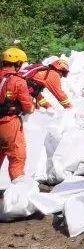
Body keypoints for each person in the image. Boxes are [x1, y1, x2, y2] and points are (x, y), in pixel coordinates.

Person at [0, 48, 35, 182]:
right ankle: (17, 195)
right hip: (9, 123)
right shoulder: (17, 80)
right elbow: (28, 107)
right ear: (17, 63)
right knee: (17, 157)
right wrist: (31, 109)